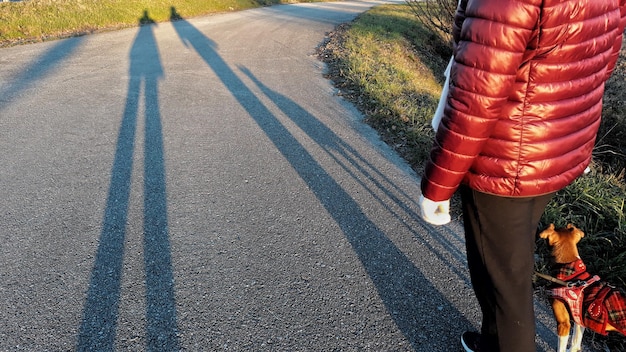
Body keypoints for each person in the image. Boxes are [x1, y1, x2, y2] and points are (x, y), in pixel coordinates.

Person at [417, 0, 626, 351]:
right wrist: (576, 141)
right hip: (554, 146)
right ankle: (493, 341)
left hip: (504, 156)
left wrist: (438, 184)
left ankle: (505, 340)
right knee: (506, 264)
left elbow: (478, 94)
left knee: (506, 285)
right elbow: (599, 62)